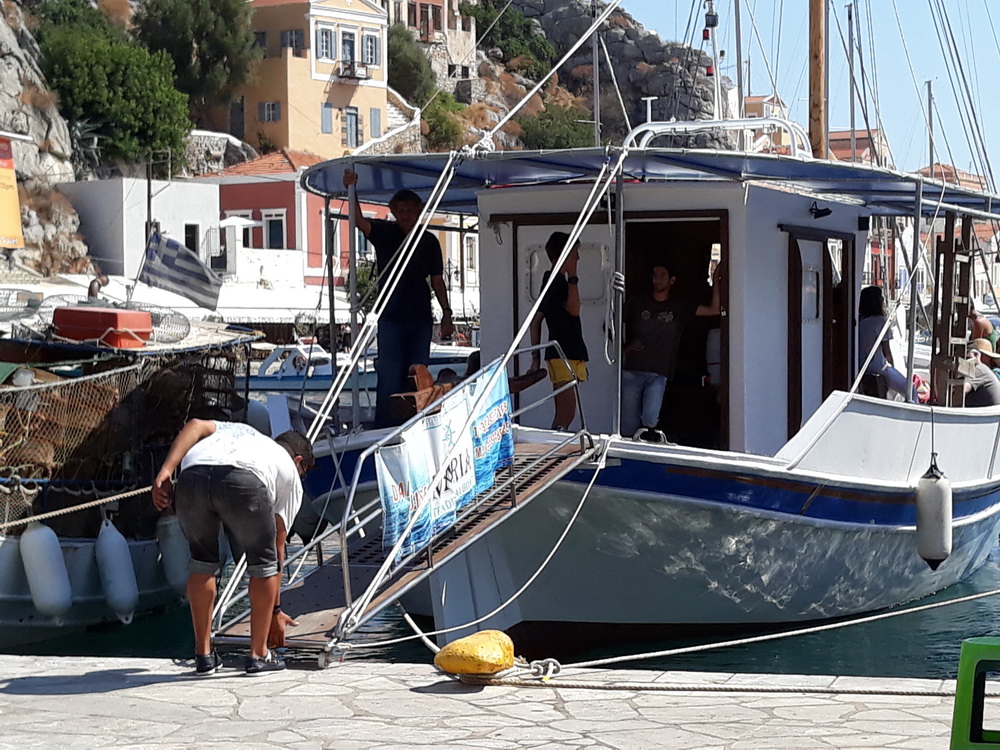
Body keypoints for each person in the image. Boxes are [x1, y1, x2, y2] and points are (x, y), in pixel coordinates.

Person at [152, 420, 314, 675]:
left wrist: (166, 470)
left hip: (193, 475)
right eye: (304, 472)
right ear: (298, 461)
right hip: (245, 481)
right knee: (264, 563)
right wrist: (276, 613)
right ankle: (259, 655)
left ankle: (203, 656)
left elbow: (195, 424)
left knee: (202, 561)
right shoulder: (290, 474)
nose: (301, 477)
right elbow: (277, 548)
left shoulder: (241, 430)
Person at [342, 169, 454, 427]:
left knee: (418, 375)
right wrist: (352, 190)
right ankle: (384, 428)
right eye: (400, 210)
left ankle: (417, 425)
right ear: (393, 212)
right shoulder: (385, 233)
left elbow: (437, 280)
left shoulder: (428, 241)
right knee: (390, 377)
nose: (405, 215)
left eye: (410, 210)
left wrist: (447, 314)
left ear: (419, 211)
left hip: (420, 318)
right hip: (390, 317)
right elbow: (359, 221)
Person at [621, 262, 722, 442]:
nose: (657, 279)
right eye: (654, 275)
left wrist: (716, 279)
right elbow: (610, 323)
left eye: (662, 275)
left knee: (650, 420)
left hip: (658, 373)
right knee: (628, 426)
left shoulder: (679, 307)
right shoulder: (637, 302)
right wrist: (625, 348)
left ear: (672, 280)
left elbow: (714, 310)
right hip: (632, 371)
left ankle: (645, 457)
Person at [528, 232, 588, 430]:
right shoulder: (555, 282)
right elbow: (573, 310)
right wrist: (573, 278)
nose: (578, 258)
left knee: (568, 411)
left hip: (569, 353)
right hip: (562, 354)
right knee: (566, 412)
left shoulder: (554, 281)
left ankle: (558, 445)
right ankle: (555, 450)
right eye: (574, 253)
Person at [857, 286, 916, 402]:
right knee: (912, 391)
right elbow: (887, 352)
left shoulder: (860, 322)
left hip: (862, 367)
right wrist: (893, 366)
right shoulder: (881, 321)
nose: (883, 300)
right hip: (879, 367)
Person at [963, 339, 1000, 407]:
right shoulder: (985, 369)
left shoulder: (978, 369)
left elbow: (963, 390)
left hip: (984, 414)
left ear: (977, 355)